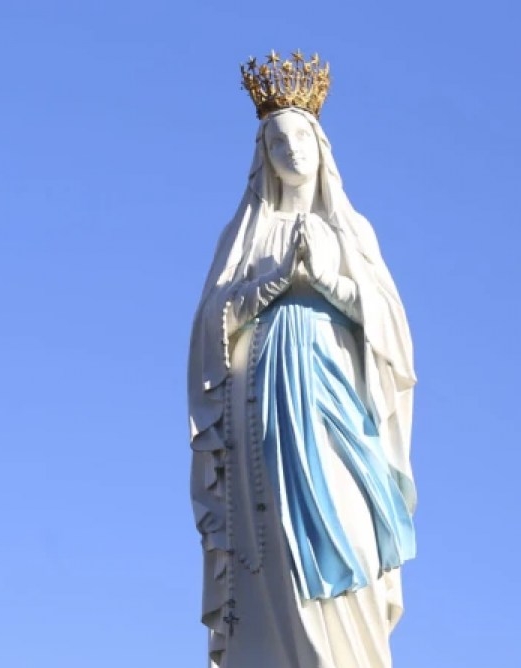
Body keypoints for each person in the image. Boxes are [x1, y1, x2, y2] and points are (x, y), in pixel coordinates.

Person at [188, 98, 419, 668]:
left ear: (322, 149)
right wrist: (270, 284)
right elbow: (209, 326)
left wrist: (325, 281)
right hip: (261, 404)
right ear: (262, 156)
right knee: (272, 545)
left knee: (350, 531)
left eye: (300, 138)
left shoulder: (350, 229)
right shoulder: (243, 235)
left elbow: (392, 332)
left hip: (333, 396)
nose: (291, 150)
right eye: (277, 142)